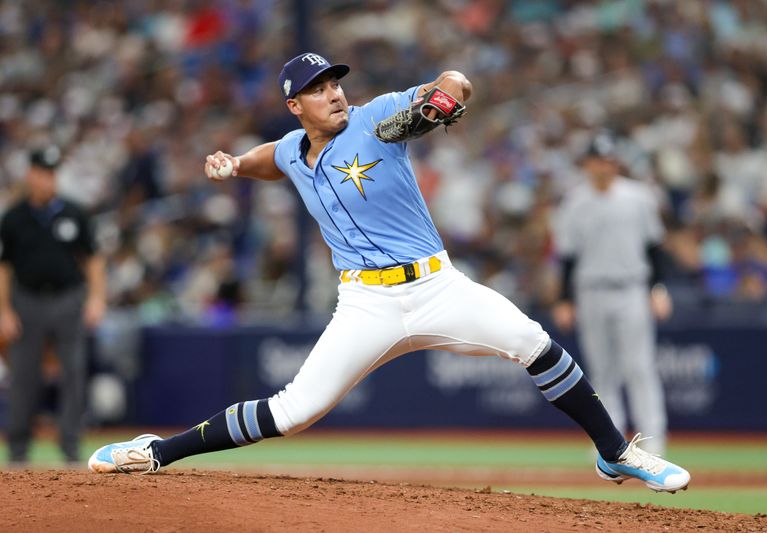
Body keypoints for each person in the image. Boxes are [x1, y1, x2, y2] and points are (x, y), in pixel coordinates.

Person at [88, 53, 690, 492]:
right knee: (293, 412)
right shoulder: (295, 150)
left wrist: (448, 94)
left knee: (534, 343)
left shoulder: (378, 121)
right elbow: (271, 159)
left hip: (436, 287)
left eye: (335, 83)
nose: (334, 94)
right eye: (319, 89)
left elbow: (451, 82)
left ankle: (614, 452)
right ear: (296, 106)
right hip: (364, 306)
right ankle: (157, 452)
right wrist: (235, 166)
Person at [552, 130, 672, 454]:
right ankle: (609, 440)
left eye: (609, 160)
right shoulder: (575, 202)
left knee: (639, 365)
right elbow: (567, 257)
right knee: (602, 369)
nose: (604, 167)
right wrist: (564, 299)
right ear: (588, 165)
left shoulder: (638, 197)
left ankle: (653, 439)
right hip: (590, 290)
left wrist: (658, 289)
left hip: (631, 288)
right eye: (598, 161)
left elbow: (655, 248)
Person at [0, 145, 106, 465]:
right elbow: (4, 267)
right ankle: (18, 450)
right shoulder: (14, 217)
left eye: (53, 173)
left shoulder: (74, 213)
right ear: (31, 174)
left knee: (73, 372)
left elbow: (93, 260)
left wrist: (97, 299)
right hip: (27, 301)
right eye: (44, 173)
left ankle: (71, 447)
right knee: (24, 375)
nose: (49, 180)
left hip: (68, 299)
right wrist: (3, 310)